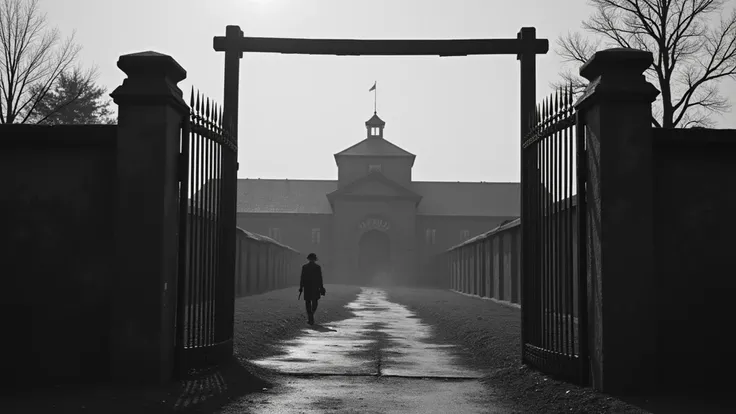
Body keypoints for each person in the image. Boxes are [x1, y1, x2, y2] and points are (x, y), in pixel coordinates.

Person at [299, 253, 326, 325]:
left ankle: (310, 316)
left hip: (307, 287)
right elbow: (320, 278)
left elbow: (302, 278)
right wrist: (321, 287)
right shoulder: (317, 267)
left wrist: (301, 287)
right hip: (315, 287)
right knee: (315, 302)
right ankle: (311, 315)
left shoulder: (305, 267)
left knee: (308, 302)